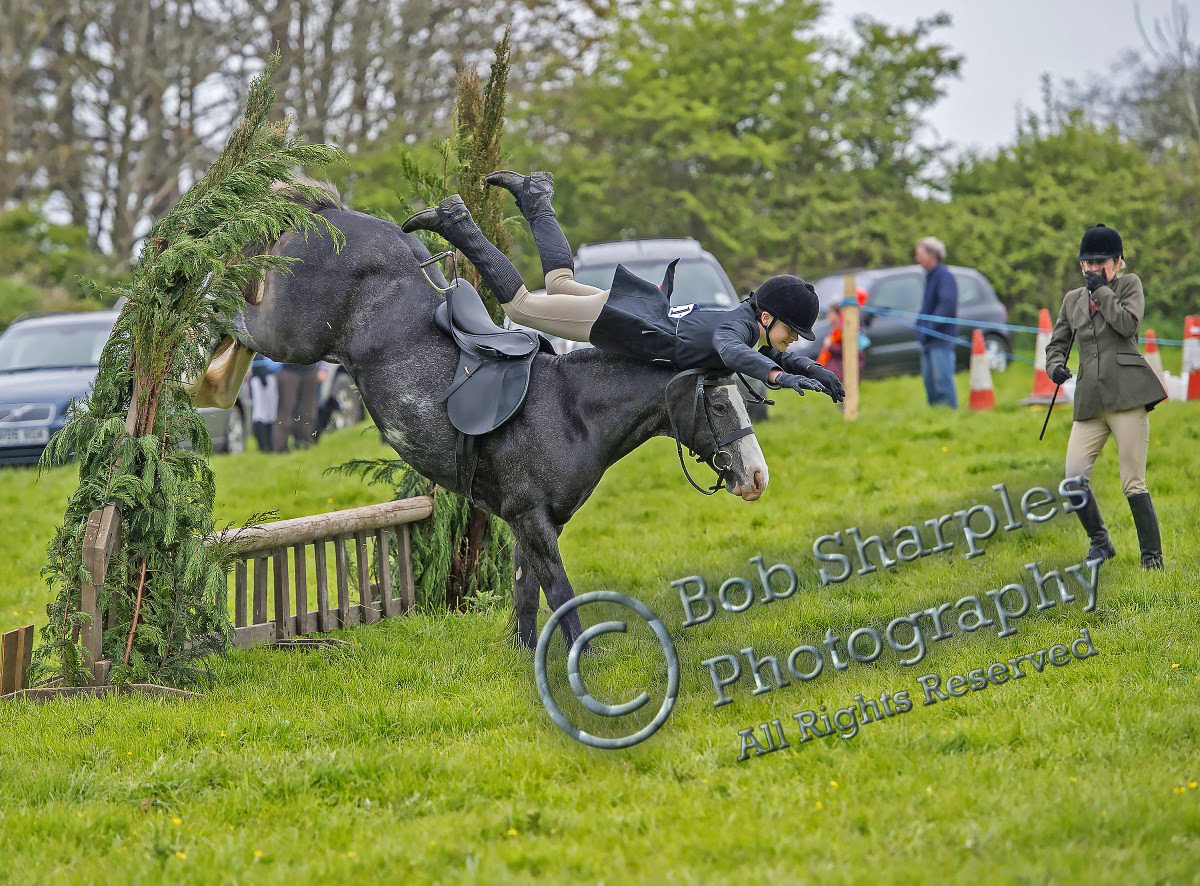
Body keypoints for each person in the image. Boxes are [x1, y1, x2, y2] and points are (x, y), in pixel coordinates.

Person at [401, 172, 843, 401]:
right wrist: (778, 377)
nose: (789, 339)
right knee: (520, 306)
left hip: (636, 310)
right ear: (767, 316)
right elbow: (733, 354)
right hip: (619, 320)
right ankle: (457, 223)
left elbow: (769, 352)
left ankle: (536, 197)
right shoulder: (738, 332)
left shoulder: (747, 323)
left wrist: (818, 372)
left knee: (559, 281)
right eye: (791, 329)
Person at [1045, 224, 1167, 569]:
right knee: (1073, 478)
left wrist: (1101, 292)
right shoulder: (1072, 300)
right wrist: (1054, 366)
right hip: (1090, 401)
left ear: (1116, 262)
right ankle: (1101, 544)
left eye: (1099, 262)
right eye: (1086, 263)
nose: (1091, 269)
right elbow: (1057, 343)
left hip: (1127, 396)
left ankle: (1151, 558)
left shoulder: (1130, 286)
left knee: (1132, 481)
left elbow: (1127, 325)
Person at [914, 236, 959, 408]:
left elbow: (946, 304)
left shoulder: (943, 276)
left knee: (942, 382)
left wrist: (929, 328)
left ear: (932, 254)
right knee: (930, 383)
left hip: (940, 339)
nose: (916, 259)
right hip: (928, 341)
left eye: (919, 254)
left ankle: (949, 413)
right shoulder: (931, 276)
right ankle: (936, 415)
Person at [274, 361, 320, 451]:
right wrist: (275, 367)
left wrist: (323, 368)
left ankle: (306, 444)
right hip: (288, 371)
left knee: (308, 412)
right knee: (285, 412)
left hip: (310, 371)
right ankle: (281, 448)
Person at [249, 353, 282, 452]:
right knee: (260, 413)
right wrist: (263, 376)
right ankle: (263, 445)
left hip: (266, 377)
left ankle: (269, 445)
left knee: (269, 414)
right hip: (261, 379)